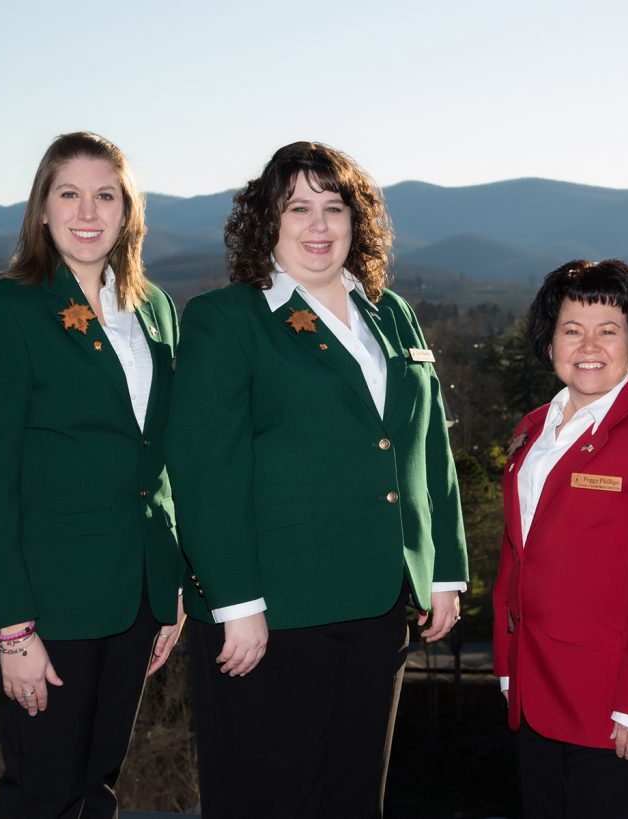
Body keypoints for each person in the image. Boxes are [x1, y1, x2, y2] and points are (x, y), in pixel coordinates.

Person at [164, 141, 469, 818]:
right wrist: (235, 603)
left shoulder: (392, 314)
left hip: (381, 605)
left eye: (335, 207)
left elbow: (426, 449)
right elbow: (203, 472)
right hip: (276, 611)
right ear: (266, 222)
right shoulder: (230, 320)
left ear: (357, 222)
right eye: (299, 207)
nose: (319, 225)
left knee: (355, 794)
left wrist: (443, 569)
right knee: (274, 796)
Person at [0, 131, 186, 819]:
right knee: (45, 794)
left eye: (105, 194)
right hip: (50, 604)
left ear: (128, 211)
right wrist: (12, 629)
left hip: (138, 595)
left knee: (98, 788)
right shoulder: (5, 313)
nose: (89, 210)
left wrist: (166, 586)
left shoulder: (156, 310)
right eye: (70, 193)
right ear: (43, 209)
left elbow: (160, 456)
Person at [492, 259, 628, 818]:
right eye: (572, 329)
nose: (588, 345)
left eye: (608, 330)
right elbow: (518, 554)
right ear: (550, 344)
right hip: (535, 691)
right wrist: (507, 662)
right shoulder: (533, 427)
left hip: (613, 708)